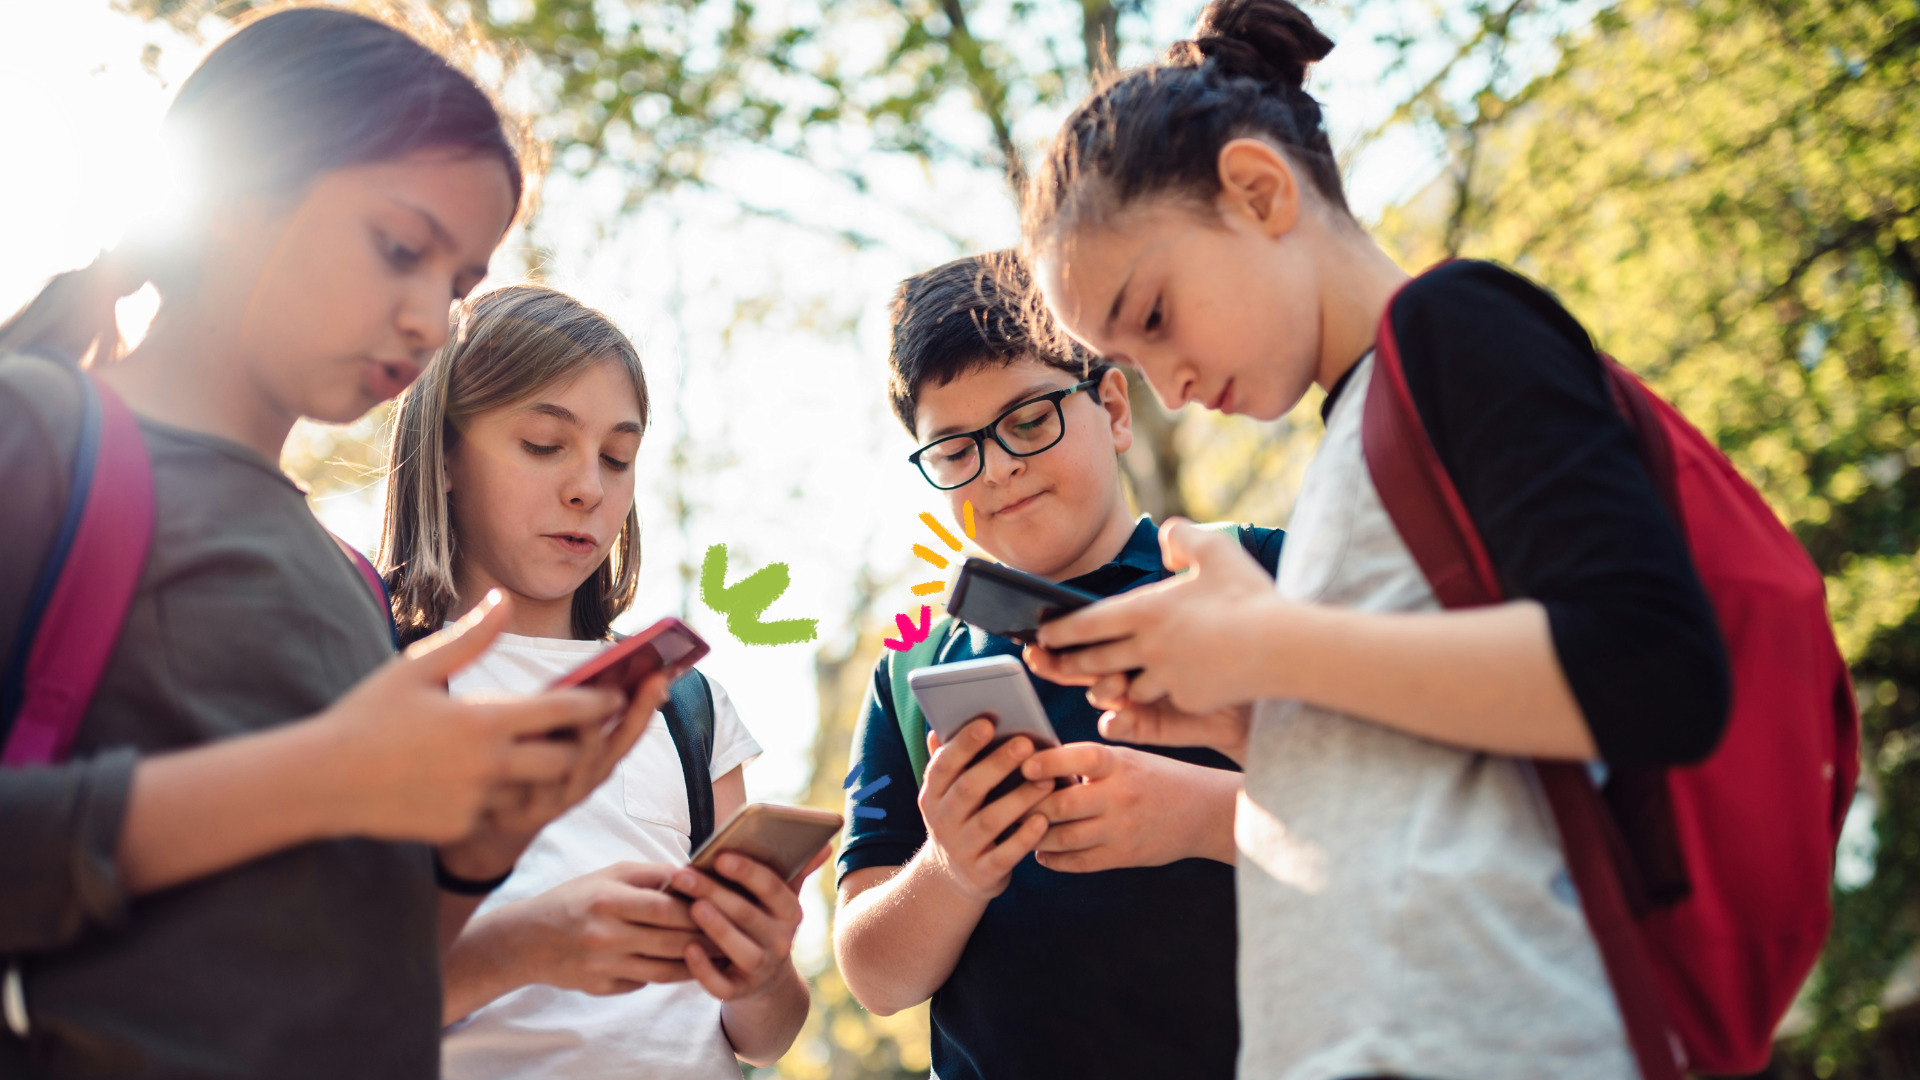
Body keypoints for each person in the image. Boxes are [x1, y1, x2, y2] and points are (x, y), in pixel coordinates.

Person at [1017, 2, 1733, 1078]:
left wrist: (1269, 647)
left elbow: (1656, 668)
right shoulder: (1356, 436)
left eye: (1154, 315)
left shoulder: (1455, 325)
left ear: (1258, 192)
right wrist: (1263, 725)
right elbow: (1452, 781)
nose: (1165, 387)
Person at [0, 10, 668, 1077]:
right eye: (399, 248)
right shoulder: (40, 436)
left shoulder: (350, 585)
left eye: (457, 284)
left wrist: (469, 863)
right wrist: (318, 775)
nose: (429, 320)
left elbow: (366, 986)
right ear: (236, 198)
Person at [831, 252, 1283, 1080]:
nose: (998, 467)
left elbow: (1412, 819)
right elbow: (874, 975)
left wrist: (1202, 817)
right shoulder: (913, 670)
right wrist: (951, 868)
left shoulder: (1262, 579)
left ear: (1112, 407)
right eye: (955, 450)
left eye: (1030, 420)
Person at [383, 284, 820, 1077]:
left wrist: (760, 971)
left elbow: (766, 1034)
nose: (590, 485)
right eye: (545, 444)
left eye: (618, 458)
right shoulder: (378, 683)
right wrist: (524, 948)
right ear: (444, 455)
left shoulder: (688, 705)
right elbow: (318, 1004)